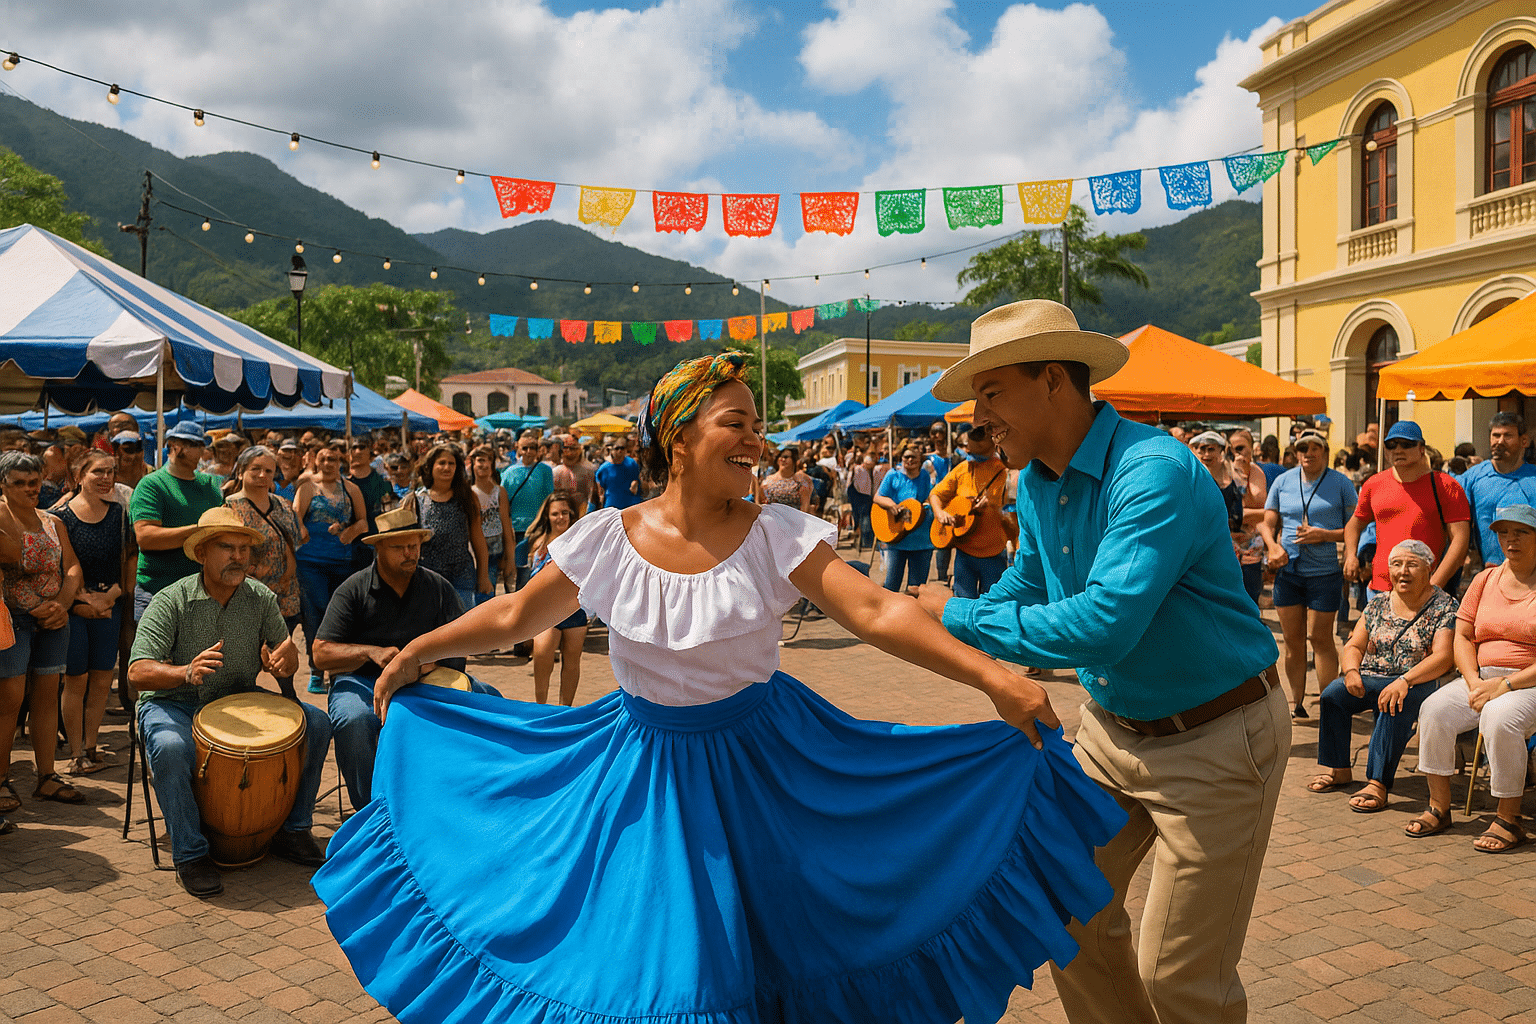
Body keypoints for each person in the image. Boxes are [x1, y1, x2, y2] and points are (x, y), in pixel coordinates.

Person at [313, 351, 1122, 1024]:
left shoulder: (776, 535)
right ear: (678, 436)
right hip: (643, 774)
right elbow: (517, 614)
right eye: (736, 424)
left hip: (771, 766)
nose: (757, 443)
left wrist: (992, 680)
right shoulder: (608, 537)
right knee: (670, 969)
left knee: (776, 949)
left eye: (758, 427)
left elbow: (875, 609)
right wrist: (420, 647)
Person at [918, 299, 1287, 1024]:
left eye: (991, 393)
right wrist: (947, 615)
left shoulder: (1153, 472)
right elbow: (1030, 583)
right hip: (1112, 732)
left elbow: (1101, 627)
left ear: (1053, 378)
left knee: (1182, 980)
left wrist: (952, 612)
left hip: (1215, 739)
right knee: (1062, 913)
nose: (979, 417)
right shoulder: (1038, 480)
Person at [128, 507, 332, 897]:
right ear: (202, 553)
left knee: (317, 722)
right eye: (227, 547)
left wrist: (285, 661)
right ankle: (190, 853)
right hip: (175, 702)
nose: (238, 556)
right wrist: (184, 671)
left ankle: (294, 829)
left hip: (239, 699)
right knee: (170, 746)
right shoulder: (171, 600)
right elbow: (137, 672)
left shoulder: (260, 597)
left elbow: (283, 655)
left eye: (244, 548)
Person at [313, 502, 485, 811]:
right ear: (378, 549)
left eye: (414, 545)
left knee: (488, 700)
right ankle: (371, 813)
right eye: (399, 547)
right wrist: (369, 651)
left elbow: (461, 643)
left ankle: (458, 803)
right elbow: (321, 652)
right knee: (355, 720)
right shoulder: (352, 589)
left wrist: (424, 664)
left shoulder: (438, 587)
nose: (410, 553)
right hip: (362, 681)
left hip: (424, 681)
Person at [1410, 504, 1536, 851]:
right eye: (1504, 532)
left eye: (1521, 531)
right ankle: (1439, 806)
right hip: (1482, 677)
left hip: (1528, 683)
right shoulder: (1485, 579)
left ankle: (1509, 819)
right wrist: (1473, 680)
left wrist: (1505, 685)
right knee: (1434, 708)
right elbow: (1462, 636)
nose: (1511, 539)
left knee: (1500, 717)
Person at [1307, 540, 1456, 812]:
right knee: (1333, 695)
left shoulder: (1444, 606)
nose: (1403, 571)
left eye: (1412, 564)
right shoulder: (1377, 603)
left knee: (1392, 700)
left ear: (1429, 568)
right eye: (1397, 565)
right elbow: (1354, 645)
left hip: (1418, 680)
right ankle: (1339, 768)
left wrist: (1405, 680)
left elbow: (1444, 656)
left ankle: (1378, 782)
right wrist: (1351, 671)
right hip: (1374, 676)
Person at [0, 451, 87, 810]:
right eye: (18, 483)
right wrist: (34, 606)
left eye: (33, 481)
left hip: (54, 620)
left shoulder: (52, 521)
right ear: (3, 485)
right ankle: (1, 780)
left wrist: (63, 604)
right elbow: (6, 571)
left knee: (46, 697)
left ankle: (46, 776)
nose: (29, 489)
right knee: (9, 702)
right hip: (13, 620)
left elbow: (72, 567)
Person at [1260, 430, 1358, 717]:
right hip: (1288, 571)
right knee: (1292, 640)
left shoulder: (1340, 483)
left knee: (1320, 638)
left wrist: (1324, 535)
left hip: (1324, 572)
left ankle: (1330, 703)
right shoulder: (1283, 481)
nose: (1309, 453)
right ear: (1296, 451)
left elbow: (1355, 528)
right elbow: (1267, 523)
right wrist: (1273, 547)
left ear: (1325, 453)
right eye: (1304, 447)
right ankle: (1297, 702)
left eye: (1316, 448)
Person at [58, 450, 133, 776]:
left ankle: (91, 746)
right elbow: (59, 569)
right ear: (79, 476)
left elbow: (129, 560)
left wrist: (110, 597)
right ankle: (76, 753)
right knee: (76, 681)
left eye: (110, 472)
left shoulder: (119, 514)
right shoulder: (58, 517)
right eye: (98, 472)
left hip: (109, 607)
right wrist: (81, 603)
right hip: (74, 611)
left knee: (102, 681)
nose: (106, 478)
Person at [1345, 420, 1472, 599]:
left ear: (1422, 448)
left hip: (1424, 589)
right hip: (1379, 589)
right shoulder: (1374, 484)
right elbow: (1354, 524)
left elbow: (1460, 540)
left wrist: (1435, 585)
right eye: (1391, 444)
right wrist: (1351, 556)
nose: (1398, 450)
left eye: (1407, 444)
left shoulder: (1445, 485)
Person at [224, 445, 303, 699]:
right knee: (246, 660)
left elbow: (295, 541)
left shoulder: (283, 505)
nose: (262, 475)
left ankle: (291, 708)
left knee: (284, 659)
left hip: (284, 596)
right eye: (255, 469)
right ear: (241, 471)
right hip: (246, 598)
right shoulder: (229, 508)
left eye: (268, 470)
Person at [129, 421, 225, 622]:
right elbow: (147, 538)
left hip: (202, 594)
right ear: (173, 445)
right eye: (194, 444)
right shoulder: (152, 484)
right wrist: (200, 531)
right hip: (158, 592)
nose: (200, 450)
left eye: (201, 445)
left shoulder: (210, 484)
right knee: (156, 654)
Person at [293, 446, 368, 694]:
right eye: (323, 458)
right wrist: (302, 531)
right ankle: (316, 670)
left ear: (340, 462)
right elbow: (296, 517)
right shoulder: (307, 487)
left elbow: (363, 521)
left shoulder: (351, 488)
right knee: (316, 613)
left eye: (333, 459)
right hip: (311, 562)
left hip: (342, 562)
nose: (328, 463)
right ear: (316, 461)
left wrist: (348, 531)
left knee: (342, 614)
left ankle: (339, 668)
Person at [929, 425, 1009, 600]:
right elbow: (936, 494)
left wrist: (994, 507)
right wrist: (939, 512)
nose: (971, 456)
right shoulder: (963, 468)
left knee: (991, 606)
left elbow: (1014, 511)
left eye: (976, 452)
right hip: (964, 552)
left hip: (994, 553)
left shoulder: (1004, 472)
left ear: (992, 446)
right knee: (963, 604)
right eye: (968, 450)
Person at [523, 491, 588, 706]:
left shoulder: (581, 541)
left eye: (565, 513)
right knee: (542, 656)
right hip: (546, 612)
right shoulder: (539, 544)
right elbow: (533, 581)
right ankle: (540, 707)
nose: (560, 518)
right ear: (547, 517)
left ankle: (565, 711)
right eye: (555, 514)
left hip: (575, 611)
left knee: (571, 664)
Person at [1189, 430, 1267, 604]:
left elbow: (1259, 507)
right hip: (1214, 546)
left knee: (1249, 596)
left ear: (1221, 451)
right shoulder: (1195, 477)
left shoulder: (1236, 474)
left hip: (1246, 546)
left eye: (1211, 449)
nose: (1206, 454)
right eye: (1202, 449)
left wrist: (1244, 477)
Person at [413, 444, 490, 611]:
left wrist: (483, 576)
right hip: (428, 576)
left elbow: (477, 538)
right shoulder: (417, 499)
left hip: (461, 574)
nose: (446, 467)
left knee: (462, 627)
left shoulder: (467, 497)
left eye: (451, 463)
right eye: (441, 463)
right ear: (430, 467)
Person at [1460, 413, 1536, 571]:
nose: (1500, 441)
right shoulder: (1472, 478)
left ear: (1524, 441)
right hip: (1488, 573)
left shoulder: (1533, 479)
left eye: (1508, 436)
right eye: (1496, 435)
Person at [873, 442, 935, 593]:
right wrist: (891, 505)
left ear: (920, 459)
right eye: (906, 457)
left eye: (913, 457)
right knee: (891, 586)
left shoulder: (925, 476)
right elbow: (878, 497)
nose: (910, 460)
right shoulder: (893, 475)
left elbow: (929, 497)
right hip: (898, 538)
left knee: (917, 588)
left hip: (921, 540)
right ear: (901, 458)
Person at [499, 435, 554, 591]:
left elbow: (550, 499)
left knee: (534, 572)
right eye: (525, 448)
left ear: (538, 450)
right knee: (515, 571)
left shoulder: (545, 471)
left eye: (532, 448)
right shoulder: (509, 472)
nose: (528, 452)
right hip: (515, 530)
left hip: (538, 529)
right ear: (518, 449)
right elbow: (503, 502)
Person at [757, 446, 812, 511]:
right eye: (780, 456)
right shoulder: (767, 480)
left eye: (786, 457)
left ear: (794, 460)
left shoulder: (800, 482)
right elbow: (760, 502)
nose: (782, 459)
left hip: (793, 519)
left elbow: (805, 507)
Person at [594, 436, 642, 509]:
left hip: (631, 503)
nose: (620, 451)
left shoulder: (632, 463)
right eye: (617, 448)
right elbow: (600, 487)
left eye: (622, 448)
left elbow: (637, 478)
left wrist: (635, 485)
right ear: (611, 451)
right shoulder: (604, 468)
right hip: (612, 504)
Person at [552, 435, 597, 512]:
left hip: (582, 513)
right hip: (562, 513)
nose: (569, 451)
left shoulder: (588, 471)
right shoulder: (556, 471)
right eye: (566, 447)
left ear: (579, 449)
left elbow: (594, 496)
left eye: (573, 448)